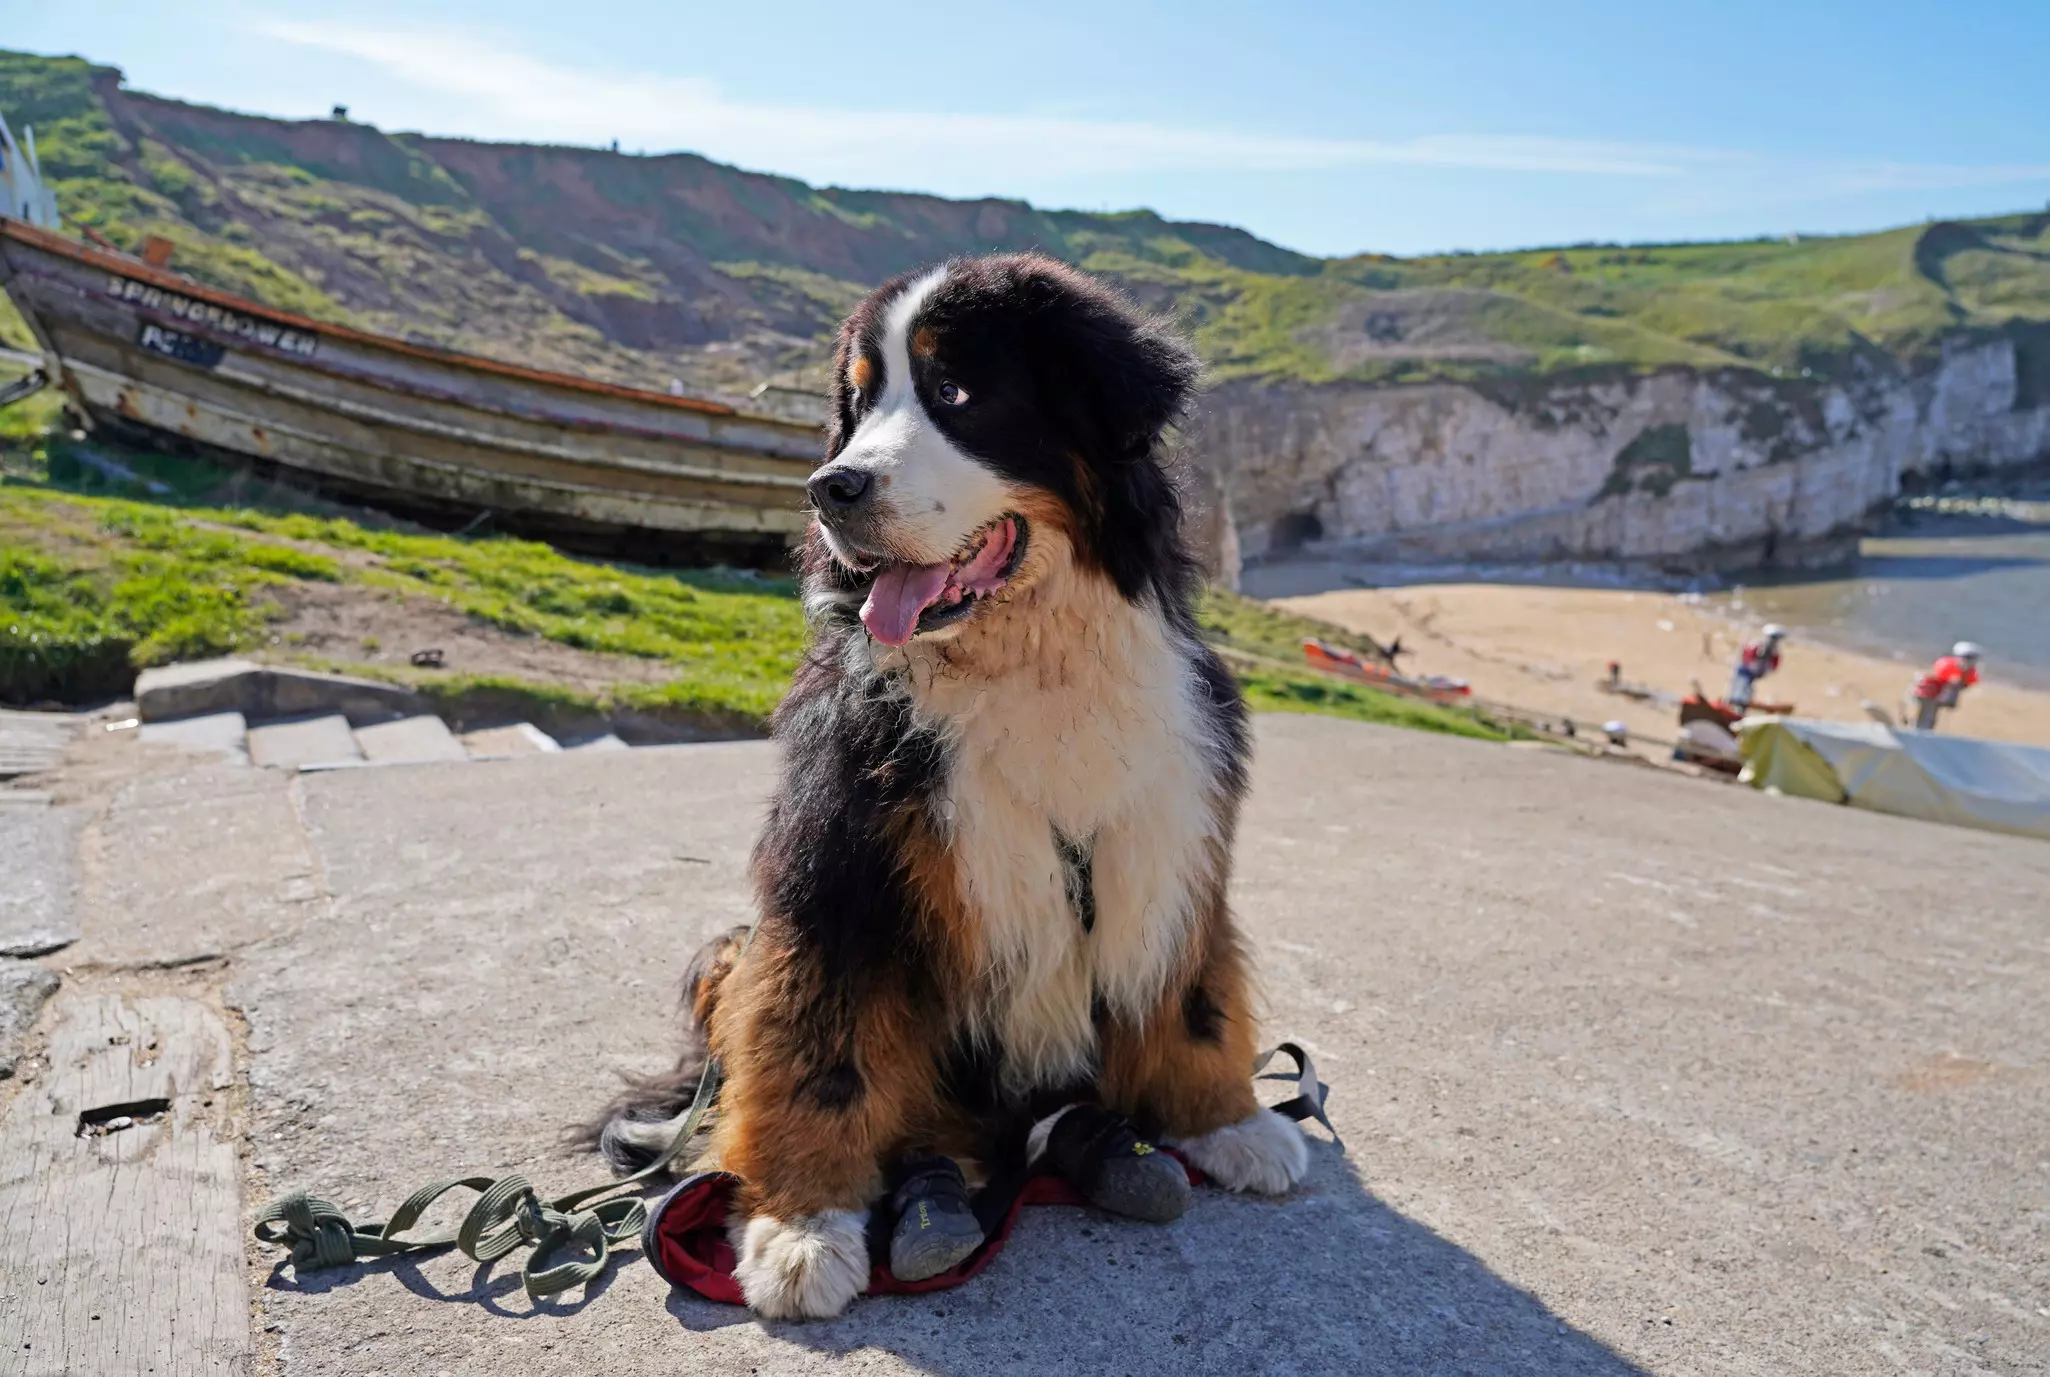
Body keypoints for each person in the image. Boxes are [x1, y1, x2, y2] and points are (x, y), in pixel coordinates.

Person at [1907, 642, 1983, 731]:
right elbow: (1934, 678)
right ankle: (1919, 730)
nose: (1969, 662)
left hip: (1940, 695)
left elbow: (1966, 683)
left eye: (1972, 659)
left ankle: (1922, 730)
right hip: (1929, 692)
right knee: (1926, 715)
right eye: (1967, 658)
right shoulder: (1945, 665)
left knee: (1930, 717)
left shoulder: (1971, 673)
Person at [1727, 624, 1787, 711]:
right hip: (1744, 672)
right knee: (1740, 689)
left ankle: (1741, 706)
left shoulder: (1774, 653)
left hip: (1753, 674)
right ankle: (1736, 706)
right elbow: (1746, 659)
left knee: (1746, 690)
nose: (1774, 641)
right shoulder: (1756, 646)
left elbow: (1773, 666)